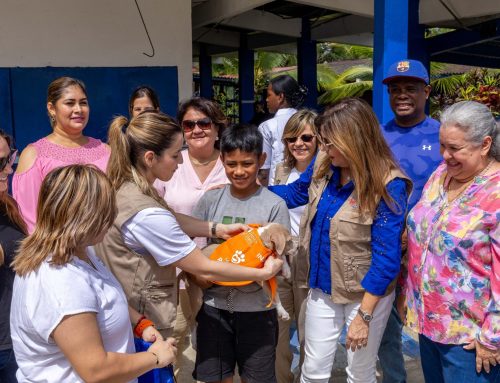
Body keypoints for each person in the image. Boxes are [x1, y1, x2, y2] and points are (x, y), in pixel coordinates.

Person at [94, 112, 284, 340]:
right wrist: (262, 272)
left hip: (127, 309)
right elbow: (203, 267)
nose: (181, 161)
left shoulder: (129, 190)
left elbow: (170, 217)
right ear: (150, 158)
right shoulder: (147, 213)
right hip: (140, 319)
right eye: (175, 155)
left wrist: (217, 229)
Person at [270, 98, 412, 383]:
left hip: (365, 295)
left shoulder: (388, 184)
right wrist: (249, 190)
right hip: (323, 286)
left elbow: (386, 258)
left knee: (359, 372)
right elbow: (297, 193)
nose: (324, 149)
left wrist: (365, 317)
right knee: (312, 369)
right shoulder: (326, 164)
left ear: (354, 141)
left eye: (330, 143)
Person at [10, 165, 178, 383]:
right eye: (107, 211)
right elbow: (97, 371)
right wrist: (156, 357)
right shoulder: (61, 279)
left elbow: (100, 299)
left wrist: (139, 323)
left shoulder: (80, 251)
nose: (112, 218)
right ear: (85, 216)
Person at [405, 101, 500, 382]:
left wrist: (492, 337)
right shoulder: (440, 176)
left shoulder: (496, 193)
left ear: (484, 145)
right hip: (429, 325)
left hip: (471, 339)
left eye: (455, 148)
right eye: (442, 146)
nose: (446, 155)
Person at [191, 123, 291, 383]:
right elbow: (189, 250)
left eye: (247, 163)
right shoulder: (210, 201)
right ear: (221, 160)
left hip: (258, 310)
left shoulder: (274, 205)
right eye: (231, 164)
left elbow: (278, 258)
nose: (238, 171)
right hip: (213, 309)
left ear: (262, 159)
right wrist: (197, 276)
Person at [153, 97, 229, 375]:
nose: (197, 129)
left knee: (220, 345)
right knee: (176, 342)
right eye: (189, 124)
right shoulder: (170, 163)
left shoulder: (232, 162)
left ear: (217, 127)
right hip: (176, 272)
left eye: (204, 123)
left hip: (223, 272)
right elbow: (155, 213)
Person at [378, 59, 442, 383]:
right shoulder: (376, 135)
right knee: (387, 329)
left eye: (411, 88)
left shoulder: (443, 135)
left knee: (431, 327)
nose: (402, 95)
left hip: (430, 250)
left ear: (426, 91)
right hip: (386, 248)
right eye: (395, 89)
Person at [13, 76, 110, 233]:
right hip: (58, 251)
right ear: (52, 108)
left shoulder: (105, 150)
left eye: (83, 103)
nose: (78, 109)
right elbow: (30, 218)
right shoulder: (34, 155)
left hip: (106, 249)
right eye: (70, 103)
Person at [272, 109, 318, 383]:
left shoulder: (326, 170)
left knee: (308, 332)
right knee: (276, 332)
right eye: (291, 138)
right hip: (281, 255)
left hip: (309, 256)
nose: (298, 143)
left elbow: (292, 196)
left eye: (306, 137)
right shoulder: (282, 170)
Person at [0, 130, 27, 383]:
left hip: (15, 341)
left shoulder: (8, 204)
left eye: (10, 159)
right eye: (1, 163)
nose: (9, 169)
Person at [258, 75, 307, 186]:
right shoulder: (309, 122)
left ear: (280, 97)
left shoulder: (267, 127)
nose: (266, 99)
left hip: (278, 187)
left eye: (269, 95)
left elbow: (264, 170)